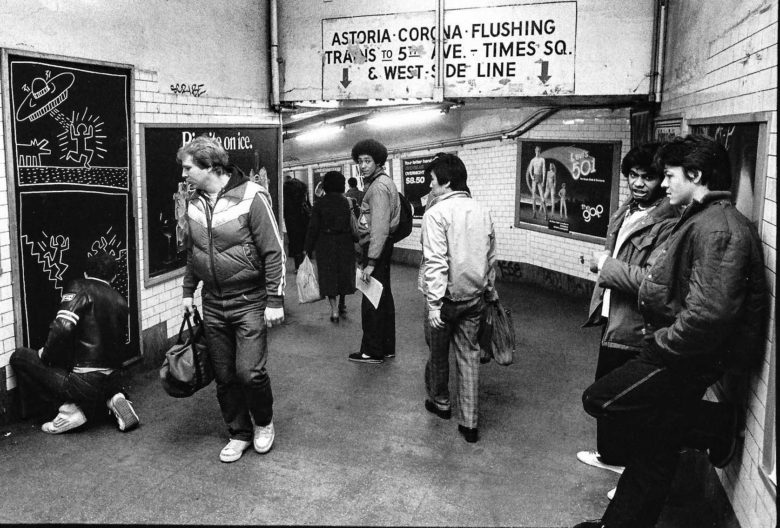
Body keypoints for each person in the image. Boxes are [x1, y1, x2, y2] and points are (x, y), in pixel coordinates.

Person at [575, 135, 767, 528]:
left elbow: (708, 317)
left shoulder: (720, 228)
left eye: (669, 175)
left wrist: (660, 344)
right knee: (653, 449)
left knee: (601, 400)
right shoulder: (704, 218)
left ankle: (713, 424)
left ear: (695, 175)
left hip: (682, 356)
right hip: (683, 350)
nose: (663, 184)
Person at [579, 143, 679, 499]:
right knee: (605, 383)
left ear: (661, 180)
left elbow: (651, 281)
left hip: (635, 324)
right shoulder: (628, 210)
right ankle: (612, 456)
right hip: (614, 314)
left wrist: (604, 266)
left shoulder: (667, 223)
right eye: (632, 176)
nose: (638, 183)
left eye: (648, 176)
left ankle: (628, 474)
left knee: (622, 397)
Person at [179, 135, 286, 464]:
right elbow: (194, 253)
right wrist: (187, 291)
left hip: (249, 300)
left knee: (249, 373)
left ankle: (264, 424)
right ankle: (238, 432)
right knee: (224, 376)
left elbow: (274, 250)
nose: (184, 174)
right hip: (213, 304)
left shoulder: (251, 197)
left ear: (209, 166)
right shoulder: (194, 202)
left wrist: (275, 299)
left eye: (188, 168)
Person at [10, 251, 139, 434]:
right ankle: (113, 398)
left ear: (86, 273)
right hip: (113, 379)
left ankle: (67, 408)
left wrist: (45, 355)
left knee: (20, 357)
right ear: (114, 276)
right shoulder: (121, 301)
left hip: (84, 382)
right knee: (94, 385)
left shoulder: (80, 287)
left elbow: (62, 328)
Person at [419, 153, 497, 443]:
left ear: (447, 182)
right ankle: (470, 423)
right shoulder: (483, 210)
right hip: (475, 299)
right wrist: (489, 291)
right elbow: (491, 258)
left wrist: (435, 304)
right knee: (469, 356)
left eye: (432, 181)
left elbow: (436, 261)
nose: (430, 186)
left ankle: (440, 402)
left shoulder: (436, 213)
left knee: (438, 353)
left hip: (445, 301)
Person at [349, 138, 400, 364]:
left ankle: (372, 350)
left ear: (378, 161)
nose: (363, 165)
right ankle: (386, 347)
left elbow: (379, 227)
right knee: (383, 298)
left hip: (375, 248)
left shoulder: (378, 187)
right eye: (360, 161)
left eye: (367, 161)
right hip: (382, 248)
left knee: (372, 301)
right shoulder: (382, 182)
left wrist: (370, 261)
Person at [304, 171, 357, 323]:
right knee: (343, 273)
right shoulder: (347, 201)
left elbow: (313, 227)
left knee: (329, 276)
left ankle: (334, 310)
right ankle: (342, 302)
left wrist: (307, 248)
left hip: (325, 243)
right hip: (345, 242)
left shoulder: (320, 203)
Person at [283, 174, 311, 271]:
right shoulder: (303, 191)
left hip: (291, 219)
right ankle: (304, 264)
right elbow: (308, 205)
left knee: (295, 243)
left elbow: (284, 207)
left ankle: (298, 266)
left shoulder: (286, 191)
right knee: (303, 242)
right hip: (303, 218)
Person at [525, 145, 546, 218]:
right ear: (535, 151)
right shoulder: (533, 160)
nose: (538, 152)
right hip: (534, 178)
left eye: (539, 151)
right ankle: (534, 213)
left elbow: (544, 170)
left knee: (542, 196)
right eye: (537, 151)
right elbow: (530, 169)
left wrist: (543, 180)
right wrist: (531, 176)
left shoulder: (542, 160)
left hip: (540, 178)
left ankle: (546, 215)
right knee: (533, 197)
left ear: (540, 152)